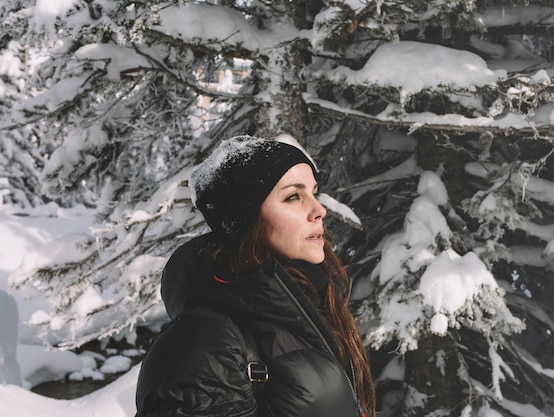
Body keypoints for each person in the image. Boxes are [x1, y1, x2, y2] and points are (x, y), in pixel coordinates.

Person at [135, 135, 376, 417]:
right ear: (247, 217)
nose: (318, 210)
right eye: (293, 196)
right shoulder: (206, 343)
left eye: (314, 193)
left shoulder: (308, 305)